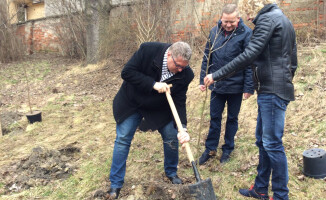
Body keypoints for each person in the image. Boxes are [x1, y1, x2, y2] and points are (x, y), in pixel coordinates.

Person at [204, 0, 297, 199]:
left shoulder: (267, 20)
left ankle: (281, 195)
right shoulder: (284, 20)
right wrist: (285, 81)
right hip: (273, 89)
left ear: (258, 6)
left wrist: (216, 75)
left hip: (272, 91)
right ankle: (261, 188)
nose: (247, 18)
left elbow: (248, 55)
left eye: (248, 12)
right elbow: (293, 61)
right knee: (263, 142)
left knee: (272, 144)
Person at [107, 41, 194, 199]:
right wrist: (153, 84)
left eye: (184, 67)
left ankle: (171, 173)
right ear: (169, 55)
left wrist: (183, 128)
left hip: (159, 108)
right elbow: (127, 72)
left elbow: (180, 101)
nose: (180, 70)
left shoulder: (186, 74)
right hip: (132, 102)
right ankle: (116, 183)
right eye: (178, 66)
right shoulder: (148, 50)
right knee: (123, 138)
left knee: (171, 136)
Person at [198, 4, 254, 165]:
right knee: (214, 118)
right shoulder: (214, 32)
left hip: (236, 86)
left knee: (232, 118)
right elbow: (206, 58)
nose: (228, 25)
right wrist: (203, 80)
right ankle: (210, 149)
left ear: (238, 19)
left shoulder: (246, 34)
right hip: (216, 86)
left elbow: (249, 63)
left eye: (231, 21)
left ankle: (228, 149)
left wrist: (248, 87)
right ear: (221, 18)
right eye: (225, 21)